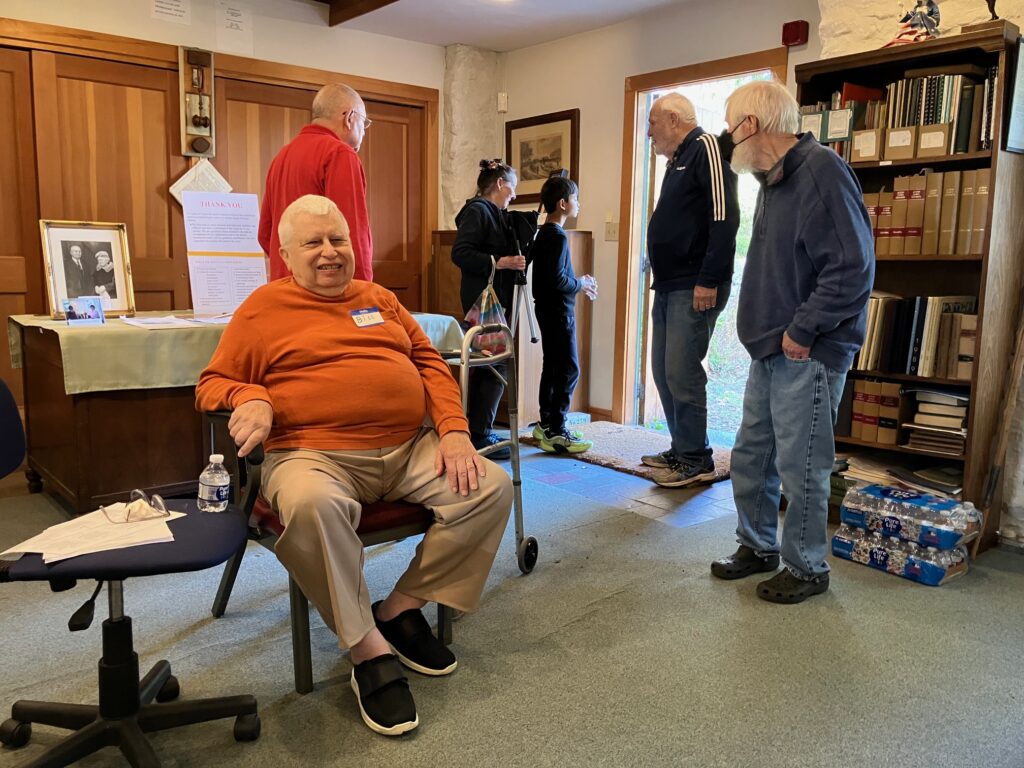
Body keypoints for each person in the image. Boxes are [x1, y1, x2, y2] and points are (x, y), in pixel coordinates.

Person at [196, 195, 512, 735]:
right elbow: (211, 384)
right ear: (286, 253)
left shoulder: (380, 299)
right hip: (313, 455)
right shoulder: (262, 309)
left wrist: (456, 433)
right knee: (314, 506)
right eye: (313, 243)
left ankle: (400, 609)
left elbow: (430, 364)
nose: (328, 253)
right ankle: (367, 649)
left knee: (490, 486)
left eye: (337, 240)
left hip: (409, 448)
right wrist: (251, 396)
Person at [710, 80, 874, 604]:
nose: (727, 139)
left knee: (802, 463)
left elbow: (852, 267)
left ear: (751, 126)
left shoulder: (821, 171)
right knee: (753, 454)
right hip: (771, 349)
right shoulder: (773, 179)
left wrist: (803, 330)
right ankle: (757, 546)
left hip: (808, 349)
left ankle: (807, 568)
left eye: (731, 127)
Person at [641, 93, 739, 488]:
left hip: (694, 284)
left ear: (675, 119)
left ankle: (697, 459)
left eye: (652, 122)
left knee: (682, 372)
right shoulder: (677, 160)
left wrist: (708, 279)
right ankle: (682, 447)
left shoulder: (706, 148)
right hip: (668, 284)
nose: (649, 132)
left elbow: (724, 217)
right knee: (663, 373)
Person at [258, 83, 374, 283]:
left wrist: (297, 264)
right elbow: (353, 235)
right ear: (350, 118)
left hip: (283, 288)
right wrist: (362, 291)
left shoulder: (282, 157)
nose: (363, 132)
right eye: (363, 123)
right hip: (326, 292)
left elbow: (265, 234)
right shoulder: (340, 154)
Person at [451, 159, 527, 460]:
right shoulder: (478, 211)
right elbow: (461, 253)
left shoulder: (493, 213)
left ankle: (479, 430)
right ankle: (479, 434)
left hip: (491, 299)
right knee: (491, 363)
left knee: (491, 363)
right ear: (499, 184)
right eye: (513, 187)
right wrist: (501, 262)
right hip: (482, 302)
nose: (514, 195)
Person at [529, 176, 597, 454]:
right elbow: (559, 280)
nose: (578, 204)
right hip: (558, 312)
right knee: (569, 368)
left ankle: (546, 424)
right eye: (575, 199)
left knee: (553, 366)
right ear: (563, 204)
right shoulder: (557, 237)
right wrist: (581, 283)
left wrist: (579, 282)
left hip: (546, 309)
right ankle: (557, 429)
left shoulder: (543, 233)